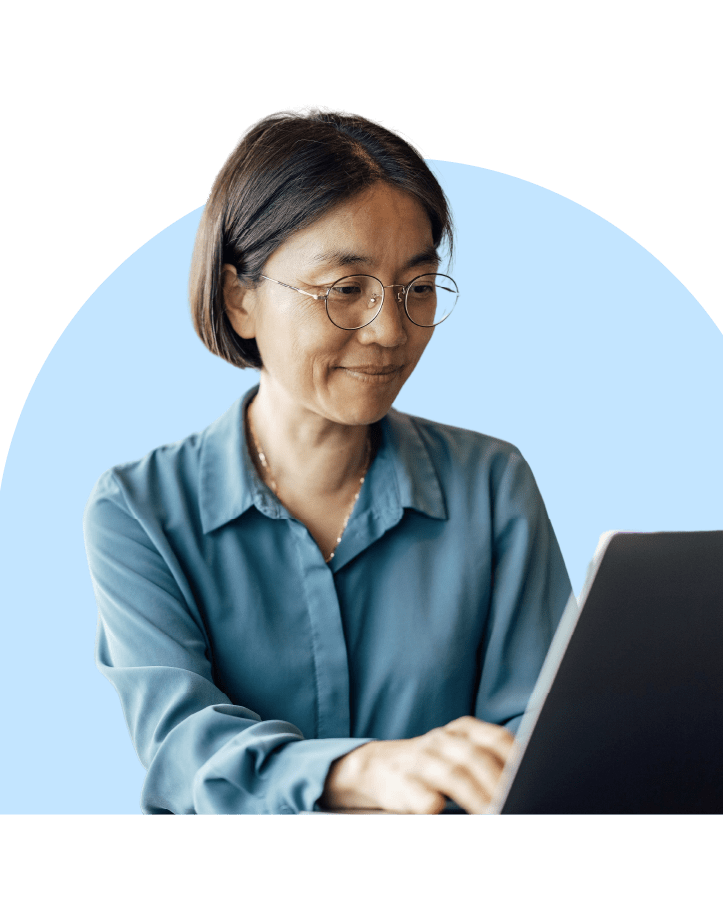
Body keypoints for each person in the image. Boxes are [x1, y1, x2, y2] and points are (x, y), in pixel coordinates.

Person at [83, 107, 572, 814]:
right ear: (240, 298)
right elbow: (184, 750)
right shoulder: (139, 509)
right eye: (346, 290)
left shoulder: (491, 485)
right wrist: (364, 770)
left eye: (418, 288)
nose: (389, 332)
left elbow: (537, 737)